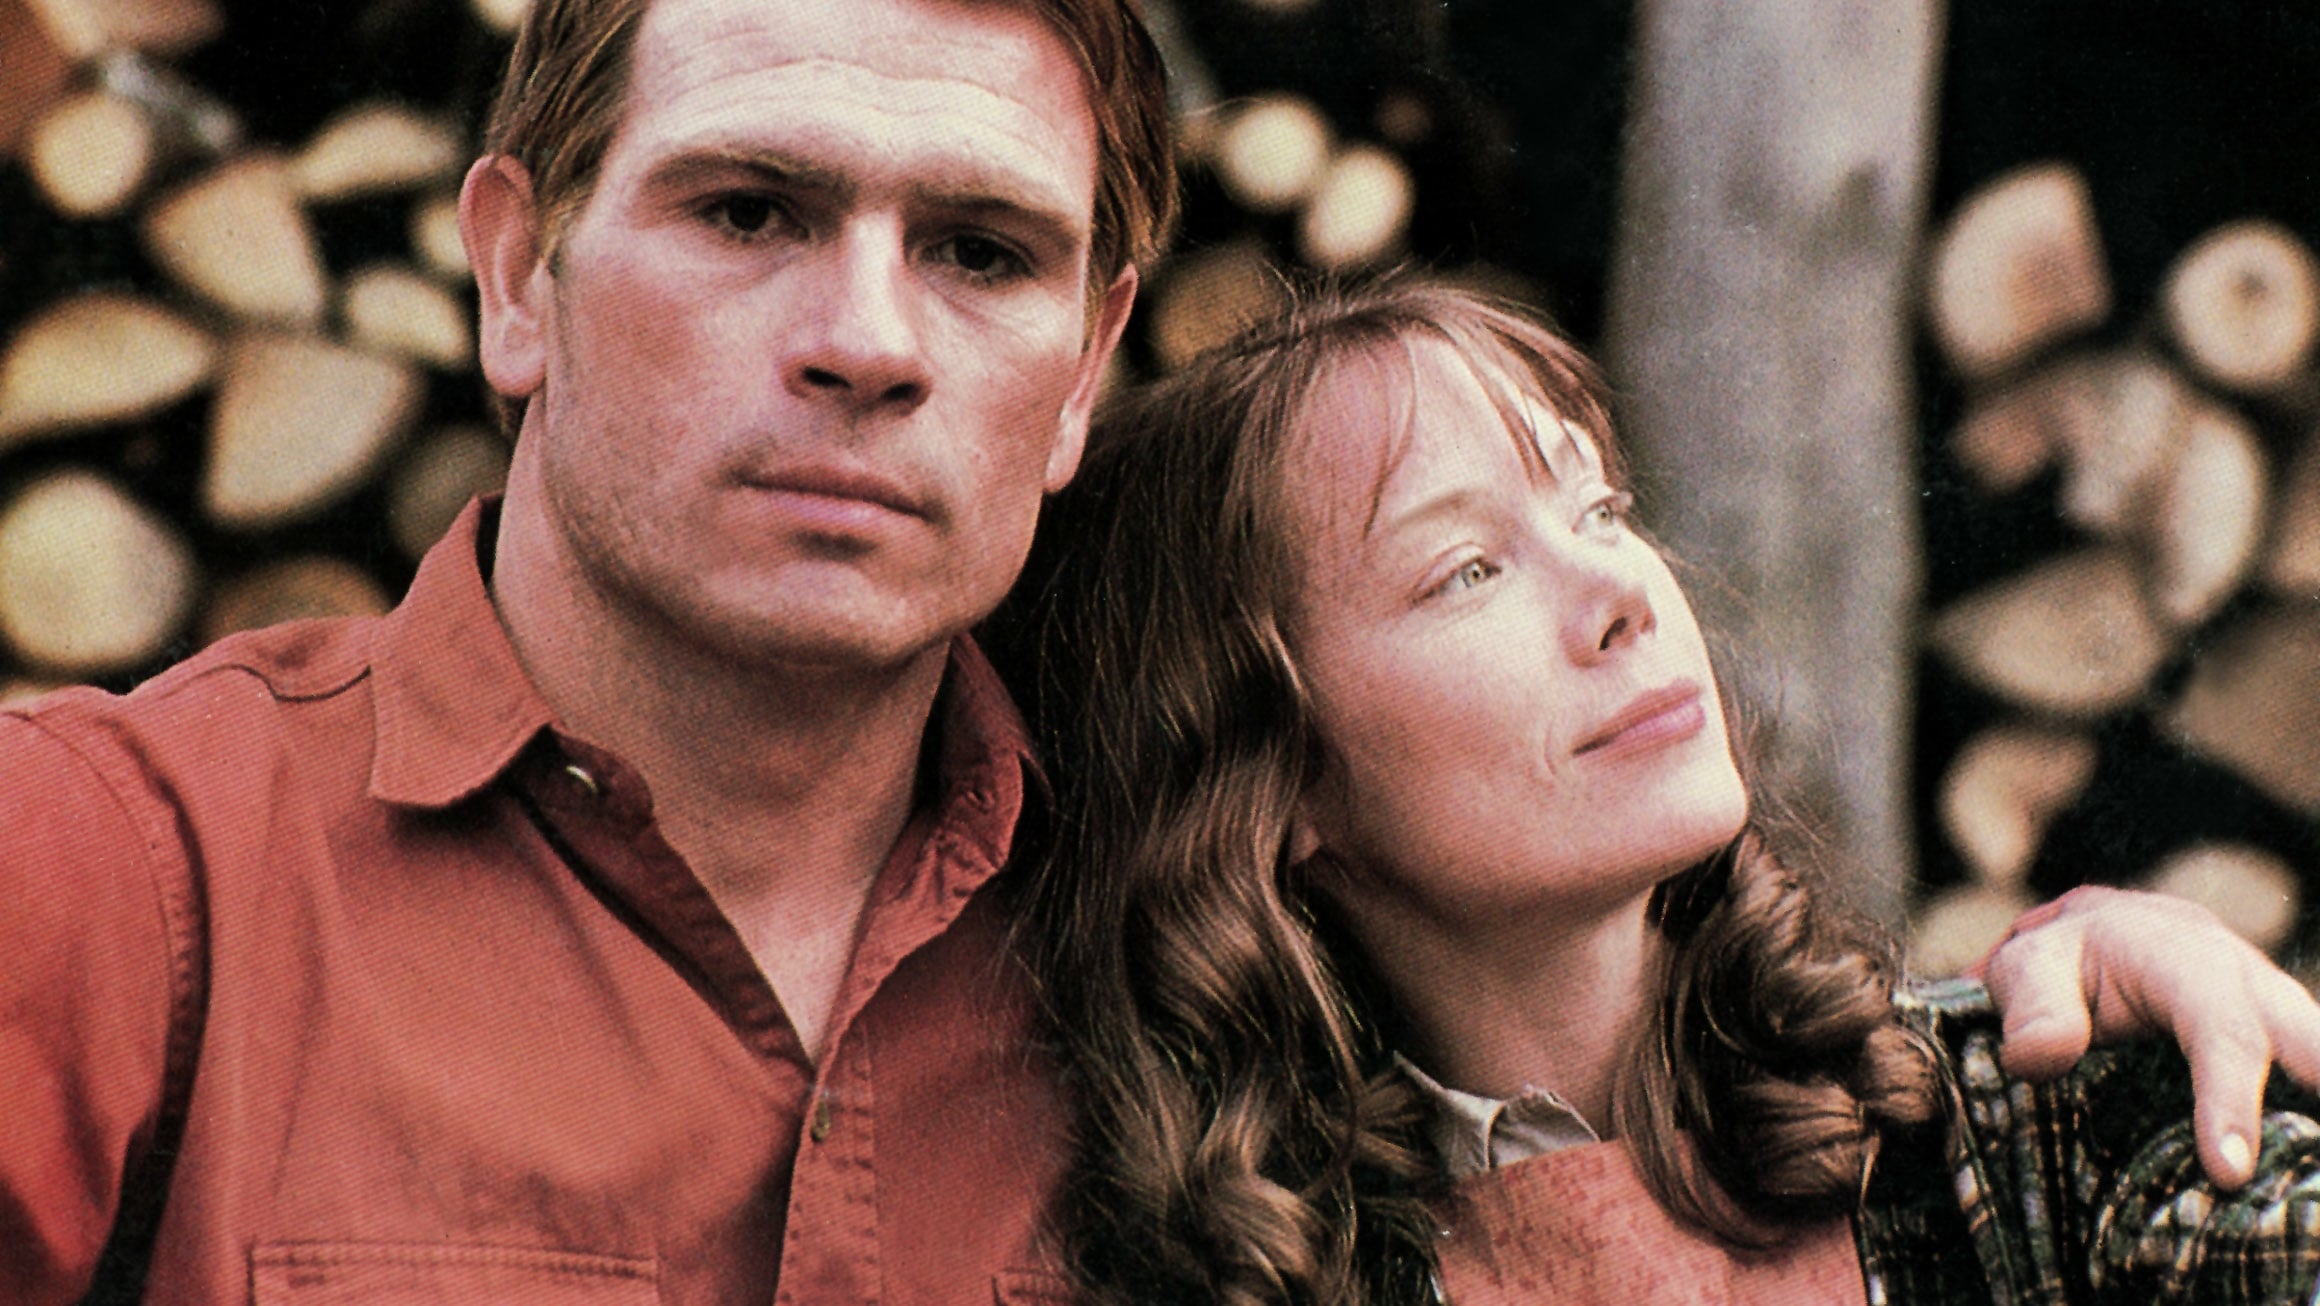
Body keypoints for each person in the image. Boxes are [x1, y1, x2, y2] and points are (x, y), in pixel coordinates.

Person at [0, 3, 2299, 1300]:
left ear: (1087, 366)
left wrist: (2052, 1035)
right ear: (517, 275)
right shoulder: (124, 877)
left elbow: (1658, 1117)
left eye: (981, 250)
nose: (867, 338)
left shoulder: (1239, 996)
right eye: (749, 208)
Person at [997, 276, 2320, 1304]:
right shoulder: (1221, 1279)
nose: (1623, 591)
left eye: (1600, 508)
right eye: (1467, 569)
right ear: (1265, 778)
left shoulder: (2050, 1113)